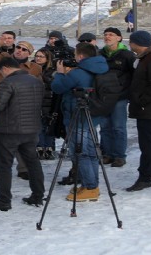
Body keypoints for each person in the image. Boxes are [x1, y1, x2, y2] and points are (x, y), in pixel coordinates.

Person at [0, 58, 45, 211]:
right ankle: (37, 196)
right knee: (33, 163)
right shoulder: (35, 81)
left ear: (6, 68)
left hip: (9, 130)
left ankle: (4, 201)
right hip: (31, 129)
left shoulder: (7, 83)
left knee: (4, 166)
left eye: (1, 71)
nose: (2, 75)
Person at [0, 36, 42, 182]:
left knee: (20, 142)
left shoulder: (35, 68)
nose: (20, 51)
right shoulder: (2, 59)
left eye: (24, 49)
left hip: (17, 110)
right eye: (18, 47)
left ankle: (23, 169)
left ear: (29, 54)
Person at [51, 42, 109, 202]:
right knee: (90, 151)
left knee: (81, 152)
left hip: (78, 116)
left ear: (81, 56)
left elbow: (58, 87)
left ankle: (90, 187)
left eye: (76, 54)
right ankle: (91, 185)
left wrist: (60, 73)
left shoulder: (79, 73)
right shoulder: (101, 67)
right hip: (93, 115)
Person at [125, 30, 151, 192]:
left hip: (150, 109)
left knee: (148, 143)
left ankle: (145, 176)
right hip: (150, 108)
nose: (130, 44)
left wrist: (141, 101)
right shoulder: (148, 58)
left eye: (131, 41)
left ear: (138, 43)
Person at [98, 27, 136, 168]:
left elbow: (134, 75)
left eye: (111, 35)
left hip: (120, 96)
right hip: (103, 97)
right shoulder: (100, 54)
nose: (108, 37)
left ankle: (119, 155)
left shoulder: (127, 55)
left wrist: (129, 93)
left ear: (119, 38)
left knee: (118, 127)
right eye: (106, 34)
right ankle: (107, 154)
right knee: (105, 127)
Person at [33, 48, 58, 160]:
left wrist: (43, 77)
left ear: (47, 59)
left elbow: (54, 84)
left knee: (48, 126)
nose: (38, 58)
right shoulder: (32, 68)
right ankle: (39, 148)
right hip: (35, 101)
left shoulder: (53, 71)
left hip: (49, 101)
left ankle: (49, 148)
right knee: (38, 126)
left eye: (41, 56)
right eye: (37, 56)